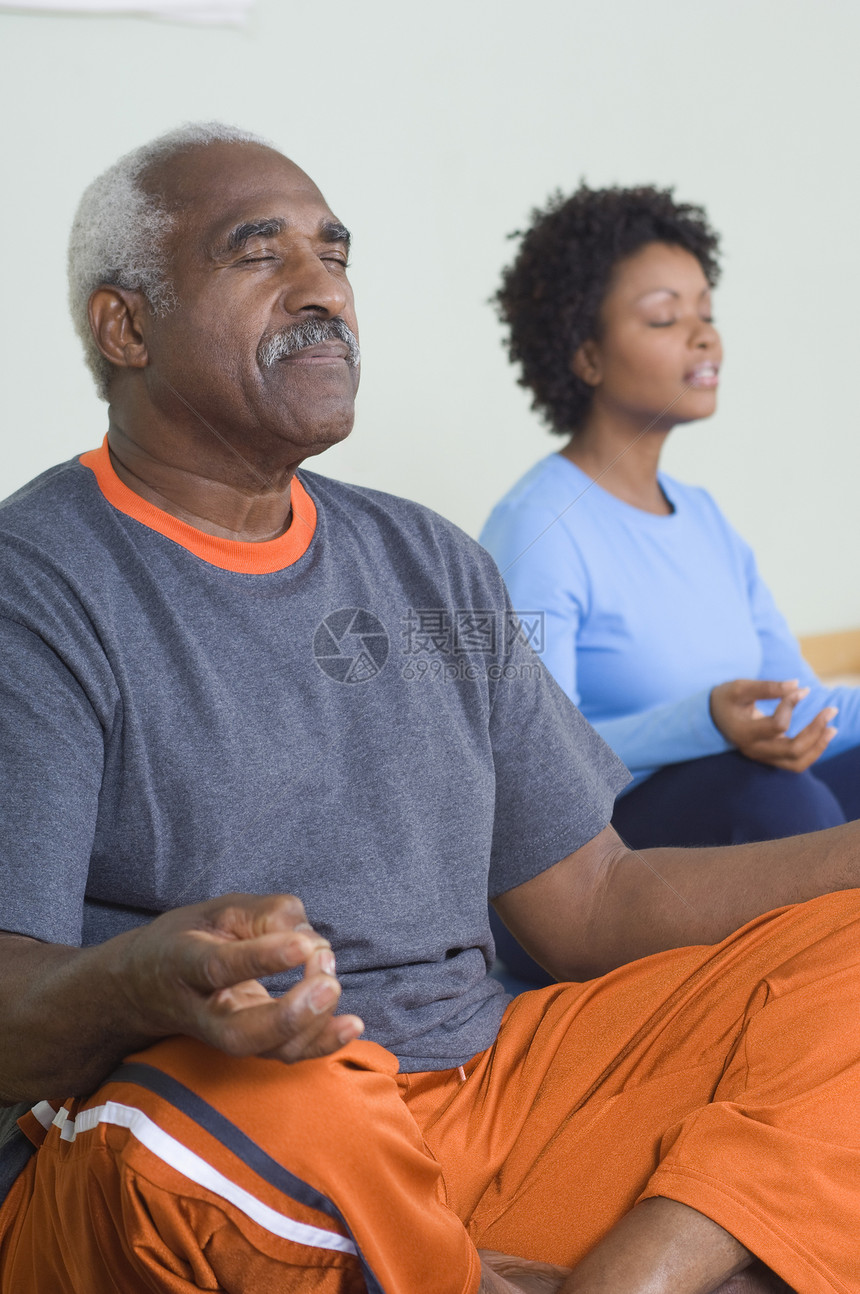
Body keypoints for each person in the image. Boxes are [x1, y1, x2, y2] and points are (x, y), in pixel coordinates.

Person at [0, 128, 859, 1294]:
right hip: (258, 1127)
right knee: (196, 1124)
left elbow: (599, 903)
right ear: (126, 326)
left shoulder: (431, 565)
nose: (323, 290)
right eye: (260, 255)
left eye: (335, 254)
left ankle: (637, 1269)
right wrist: (146, 978)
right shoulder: (39, 581)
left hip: (496, 1093)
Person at [480, 184, 860, 863]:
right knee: (782, 802)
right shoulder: (538, 527)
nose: (703, 334)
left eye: (706, 312)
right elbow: (537, 764)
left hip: (737, 805)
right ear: (587, 356)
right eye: (664, 319)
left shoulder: (705, 518)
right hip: (590, 859)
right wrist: (705, 721)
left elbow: (802, 705)